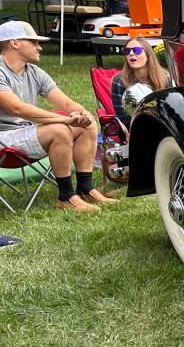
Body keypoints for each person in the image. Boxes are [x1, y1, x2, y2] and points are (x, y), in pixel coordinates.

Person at [0, 21, 112, 212]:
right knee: (60, 130)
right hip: (5, 139)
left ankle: (85, 189)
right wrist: (65, 120)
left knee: (88, 125)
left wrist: (81, 114)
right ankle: (66, 197)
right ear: (15, 42)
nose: (39, 47)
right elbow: (17, 109)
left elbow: (66, 104)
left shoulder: (34, 72)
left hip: (26, 133)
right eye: (34, 42)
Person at [111, 38, 170, 125]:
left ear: (148, 54)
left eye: (136, 50)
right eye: (127, 51)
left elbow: (170, 110)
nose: (131, 54)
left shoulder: (166, 78)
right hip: (133, 127)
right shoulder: (119, 81)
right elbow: (123, 118)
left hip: (162, 125)